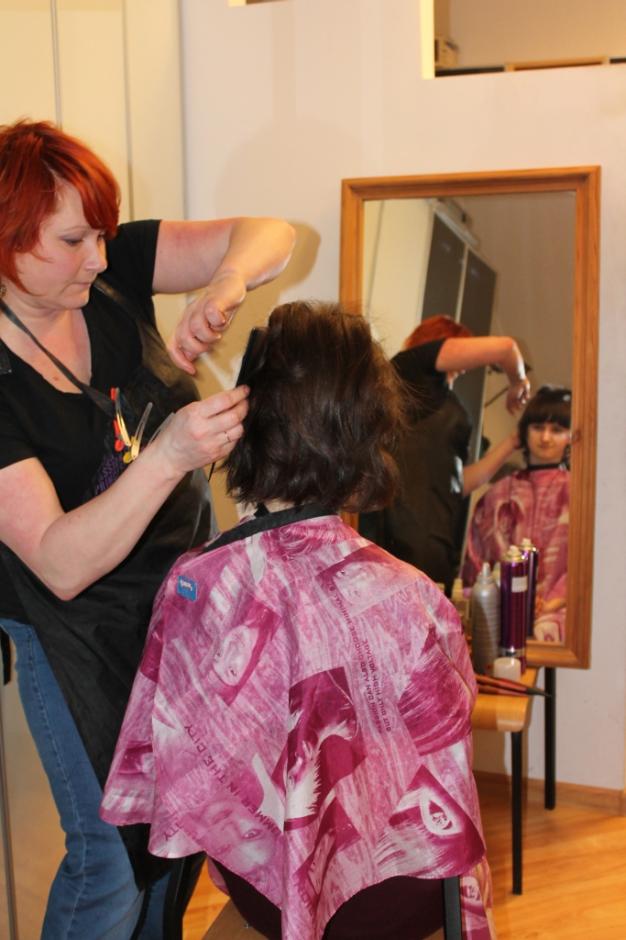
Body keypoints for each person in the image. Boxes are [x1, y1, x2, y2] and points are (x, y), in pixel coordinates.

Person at [101, 301, 495, 940]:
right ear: (366, 435)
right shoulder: (418, 598)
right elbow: (447, 754)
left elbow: (173, 769)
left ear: (249, 425)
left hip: (269, 894)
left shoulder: (196, 585)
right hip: (400, 898)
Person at [0, 118, 295, 939]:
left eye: (101, 234)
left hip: (180, 610)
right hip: (74, 634)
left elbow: (270, 234)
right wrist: (167, 456)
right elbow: (58, 562)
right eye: (72, 241)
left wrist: (225, 284)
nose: (99, 258)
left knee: (181, 837)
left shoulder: (110, 273)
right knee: (111, 857)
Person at [358, 314, 530, 595]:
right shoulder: (409, 369)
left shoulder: (443, 399)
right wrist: (518, 382)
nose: (469, 365)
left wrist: (512, 443)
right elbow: (506, 348)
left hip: (439, 539)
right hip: (405, 537)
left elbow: (459, 484)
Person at [463, 385, 571, 643]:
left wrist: (550, 603)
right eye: (538, 427)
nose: (546, 438)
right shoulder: (499, 493)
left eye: (557, 430)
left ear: (571, 437)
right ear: (524, 432)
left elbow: (585, 565)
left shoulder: (579, 494)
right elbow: (478, 561)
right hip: (500, 608)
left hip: (559, 613)